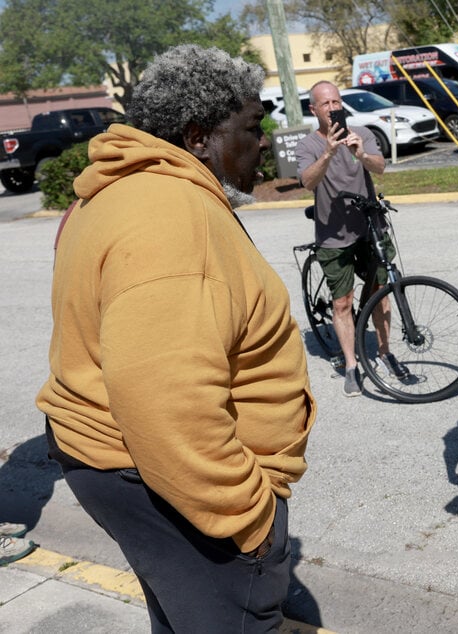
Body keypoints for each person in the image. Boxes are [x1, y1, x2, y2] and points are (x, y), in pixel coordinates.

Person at [35, 45, 316, 632]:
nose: (263, 142)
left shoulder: (127, 191)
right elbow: (168, 403)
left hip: (134, 472)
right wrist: (250, 521)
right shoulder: (172, 216)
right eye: (250, 127)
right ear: (198, 136)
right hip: (175, 486)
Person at [296, 80, 406, 397]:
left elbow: (380, 167)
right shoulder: (308, 146)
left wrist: (361, 154)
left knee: (381, 291)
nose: (333, 108)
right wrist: (329, 151)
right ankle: (351, 365)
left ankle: (385, 353)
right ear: (313, 109)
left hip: (371, 226)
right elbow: (307, 182)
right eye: (326, 104)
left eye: (336, 102)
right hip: (333, 233)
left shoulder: (363, 133)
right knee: (342, 302)